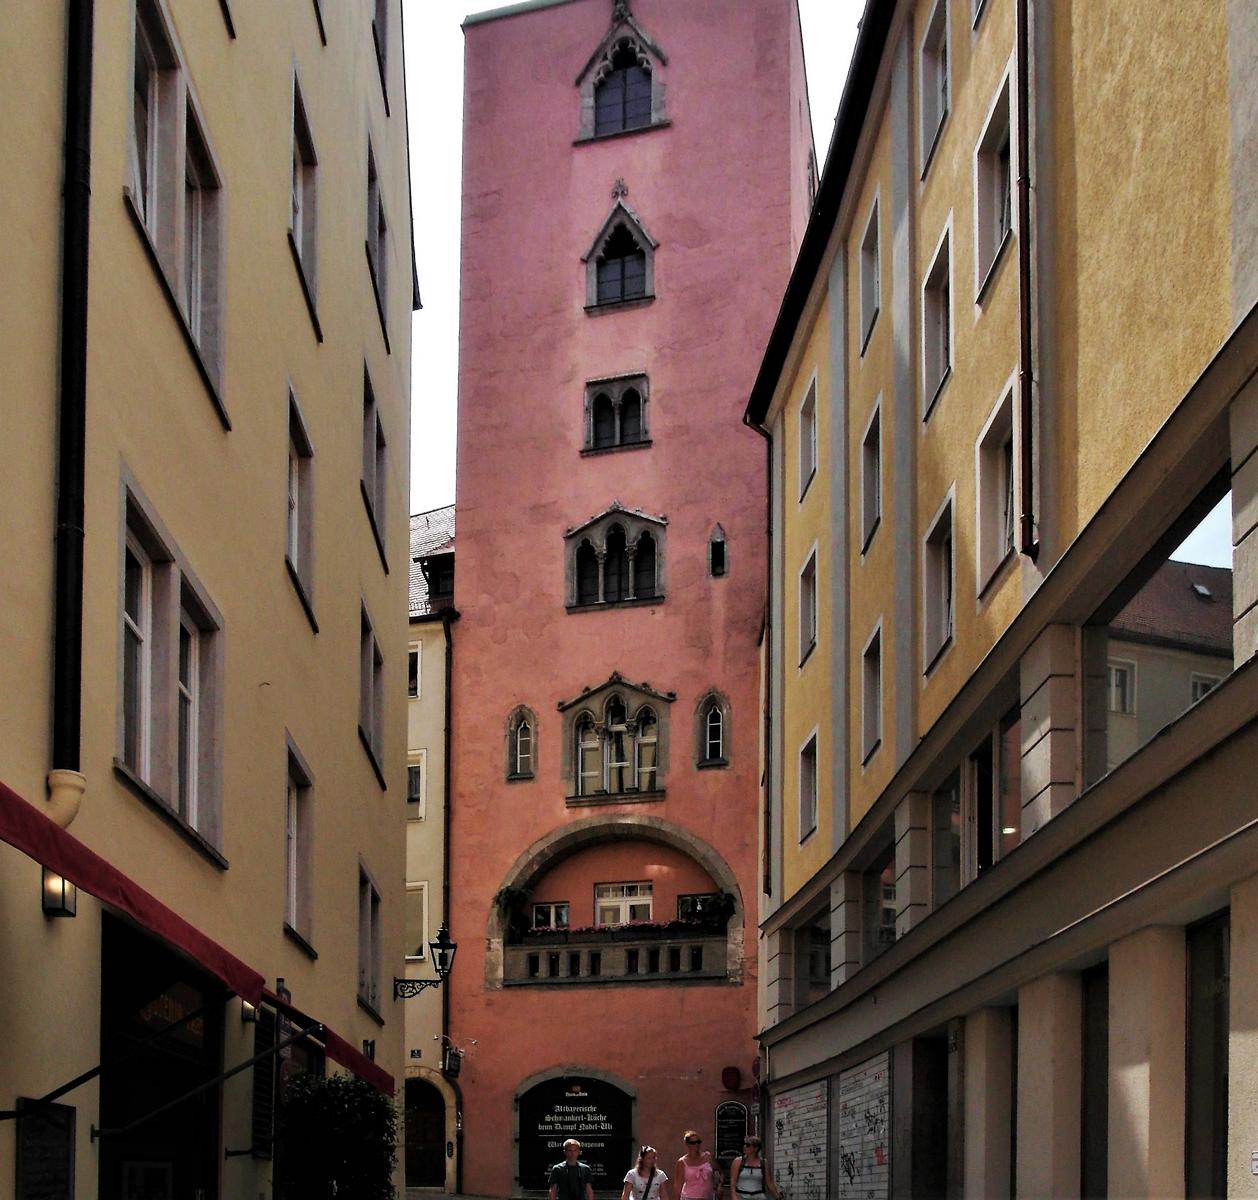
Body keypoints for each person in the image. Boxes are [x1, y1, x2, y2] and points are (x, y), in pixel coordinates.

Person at [676, 1130, 719, 1200]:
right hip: (689, 1197)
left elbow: (719, 1172)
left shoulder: (708, 1157)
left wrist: (719, 1185)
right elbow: (678, 1184)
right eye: (693, 1143)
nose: (696, 1145)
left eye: (698, 1142)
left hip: (708, 1196)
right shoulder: (682, 1162)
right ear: (687, 1144)